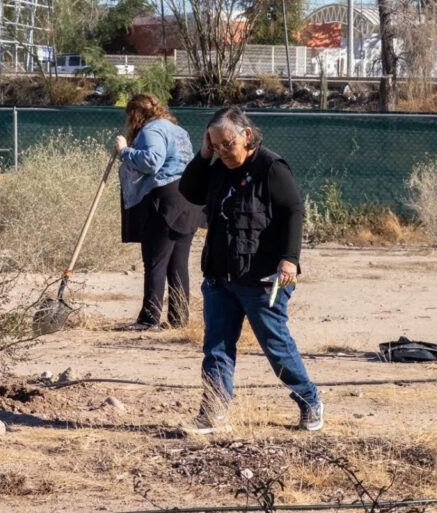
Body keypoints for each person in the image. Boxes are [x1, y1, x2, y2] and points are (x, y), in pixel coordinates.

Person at [178, 106, 322, 434]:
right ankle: (213, 412)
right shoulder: (216, 168)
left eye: (227, 143)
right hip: (220, 276)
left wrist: (290, 258)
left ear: (246, 134)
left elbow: (293, 211)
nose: (223, 152)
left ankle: (310, 401)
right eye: (216, 146)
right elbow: (189, 191)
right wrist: (203, 155)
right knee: (216, 347)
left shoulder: (271, 166)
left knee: (276, 347)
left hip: (262, 278)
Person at [113, 93, 203, 330]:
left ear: (135, 114)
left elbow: (152, 161)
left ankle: (148, 318)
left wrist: (124, 151)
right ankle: (178, 319)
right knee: (178, 263)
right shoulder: (178, 130)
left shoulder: (152, 130)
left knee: (155, 260)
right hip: (189, 199)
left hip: (166, 199)